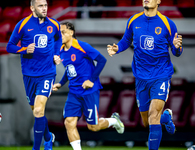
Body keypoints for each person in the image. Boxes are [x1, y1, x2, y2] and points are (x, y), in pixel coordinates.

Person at [107, 0, 183, 150]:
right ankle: (166, 117)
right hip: (141, 78)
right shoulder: (133, 20)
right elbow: (125, 40)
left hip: (161, 75)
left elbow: (176, 52)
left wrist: (177, 47)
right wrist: (117, 48)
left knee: (153, 115)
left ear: (159, 1)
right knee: (147, 121)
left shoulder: (167, 24)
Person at [53, 22, 124, 150]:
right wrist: (60, 83)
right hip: (74, 93)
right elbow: (69, 69)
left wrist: (91, 80)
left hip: (89, 91)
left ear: (71, 32)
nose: (60, 35)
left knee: (93, 127)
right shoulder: (61, 51)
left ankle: (114, 121)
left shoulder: (82, 46)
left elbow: (102, 60)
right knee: (69, 123)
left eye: (63, 32)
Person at [6, 0, 62, 150]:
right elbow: (9, 46)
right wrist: (24, 49)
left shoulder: (54, 24)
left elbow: (58, 40)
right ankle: (48, 137)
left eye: (45, 6)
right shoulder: (22, 25)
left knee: (38, 110)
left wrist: (57, 54)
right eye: (40, 6)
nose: (44, 9)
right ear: (32, 8)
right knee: (37, 111)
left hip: (48, 73)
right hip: (29, 75)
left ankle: (37, 148)